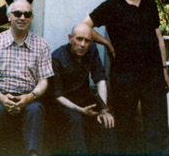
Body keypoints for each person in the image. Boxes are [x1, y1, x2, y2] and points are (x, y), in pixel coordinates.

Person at [81, 0, 169, 155]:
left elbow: (158, 38)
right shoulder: (112, 5)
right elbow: (84, 26)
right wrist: (106, 43)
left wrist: (164, 69)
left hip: (153, 72)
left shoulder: (149, 4)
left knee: (157, 124)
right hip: (124, 74)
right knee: (125, 124)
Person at [0, 0, 53, 156]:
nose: (22, 18)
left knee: (36, 110)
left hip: (29, 97)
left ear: (31, 18)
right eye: (18, 13)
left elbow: (43, 81)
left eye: (27, 14)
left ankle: (33, 154)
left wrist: (29, 97)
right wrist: (2, 98)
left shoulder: (41, 45)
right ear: (9, 16)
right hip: (0, 97)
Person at [48, 23, 118, 155]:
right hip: (63, 103)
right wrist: (80, 110)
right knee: (76, 119)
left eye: (87, 41)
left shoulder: (92, 50)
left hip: (83, 99)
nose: (83, 44)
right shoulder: (57, 57)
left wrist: (103, 109)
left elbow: (100, 79)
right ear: (70, 38)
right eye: (79, 39)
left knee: (107, 119)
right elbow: (57, 95)